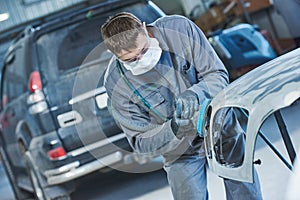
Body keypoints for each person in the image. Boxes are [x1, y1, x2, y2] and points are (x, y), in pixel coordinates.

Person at [101, 12, 262, 199]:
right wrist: (174, 128)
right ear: (114, 55)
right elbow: (141, 141)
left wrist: (196, 93)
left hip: (219, 126)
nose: (141, 60)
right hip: (178, 150)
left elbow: (217, 75)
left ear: (144, 28)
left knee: (243, 189)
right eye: (131, 60)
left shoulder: (179, 30)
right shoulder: (115, 83)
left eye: (144, 50)